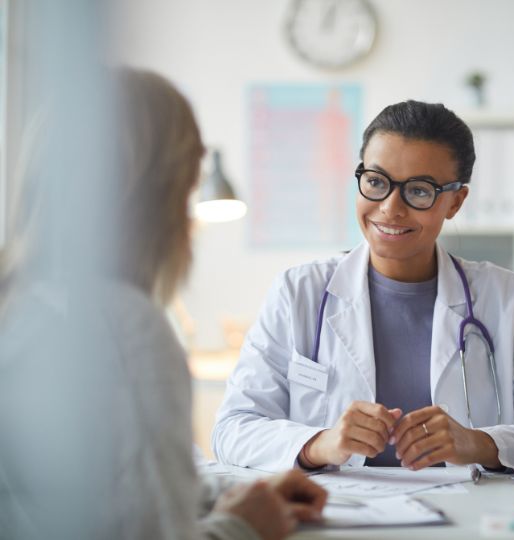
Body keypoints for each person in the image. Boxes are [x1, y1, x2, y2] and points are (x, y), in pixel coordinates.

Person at [0, 69, 326, 540]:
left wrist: (224, 493)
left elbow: (101, 489)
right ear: (159, 193)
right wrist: (244, 525)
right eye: (189, 187)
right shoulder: (123, 328)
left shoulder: (24, 299)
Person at [212, 100, 514, 472]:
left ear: (455, 202)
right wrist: (319, 444)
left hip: (465, 508)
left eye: (420, 190)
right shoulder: (299, 292)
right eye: (376, 182)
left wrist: (477, 443)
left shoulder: (504, 298)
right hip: (339, 508)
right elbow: (232, 429)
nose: (391, 207)